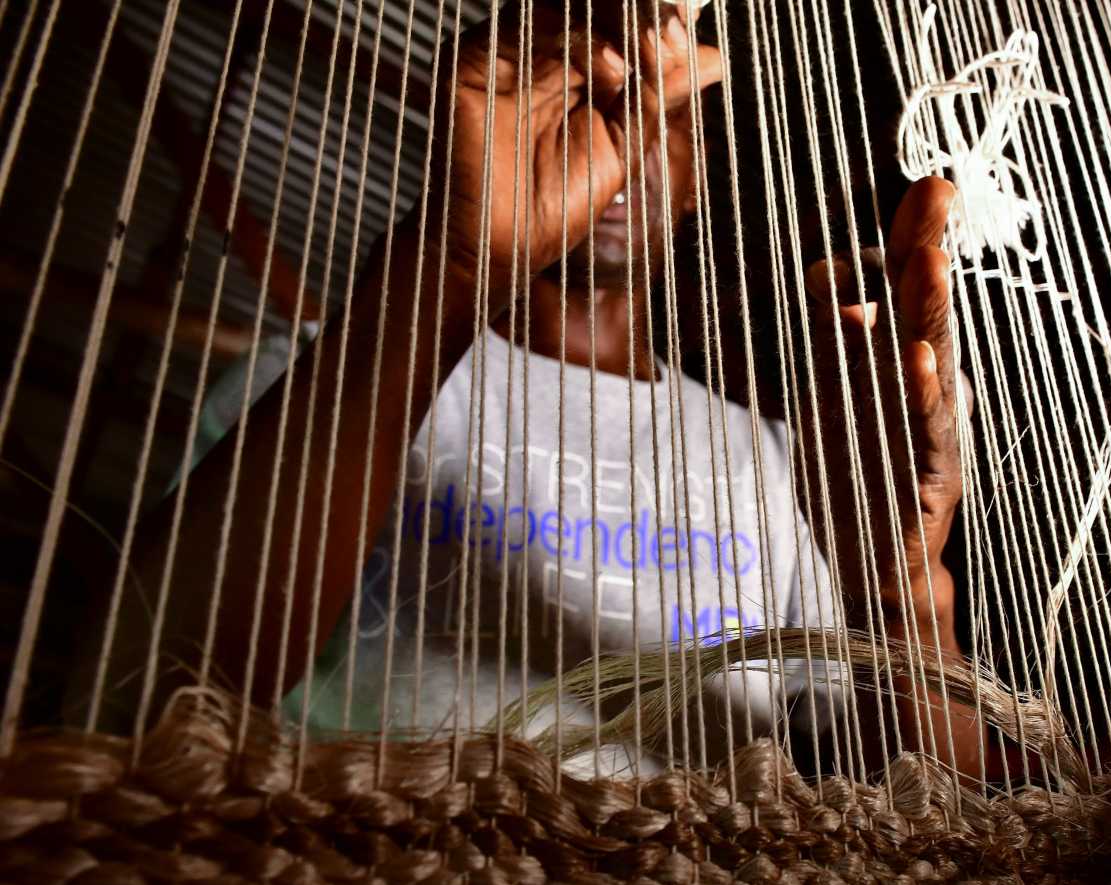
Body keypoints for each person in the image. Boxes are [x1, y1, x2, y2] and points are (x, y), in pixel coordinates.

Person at [90, 2, 999, 784]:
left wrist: (903, 588)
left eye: (667, 117)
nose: (629, 137)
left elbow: (938, 809)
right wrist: (450, 267)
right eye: (592, 101)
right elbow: (135, 697)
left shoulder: (776, 461)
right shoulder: (326, 379)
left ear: (698, 178)